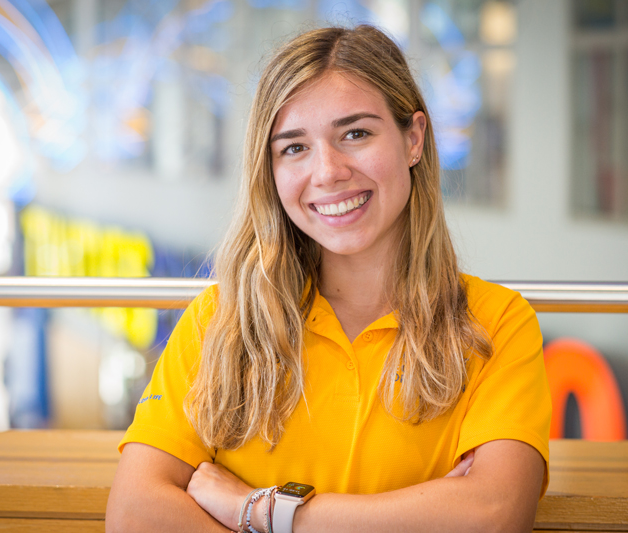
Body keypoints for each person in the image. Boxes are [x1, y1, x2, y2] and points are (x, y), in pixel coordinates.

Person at [106, 24, 551, 533]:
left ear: (413, 138)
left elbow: (494, 514)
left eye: (356, 134)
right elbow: (134, 514)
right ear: (268, 170)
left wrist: (262, 511)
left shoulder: (497, 325)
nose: (328, 172)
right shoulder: (221, 322)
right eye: (294, 148)